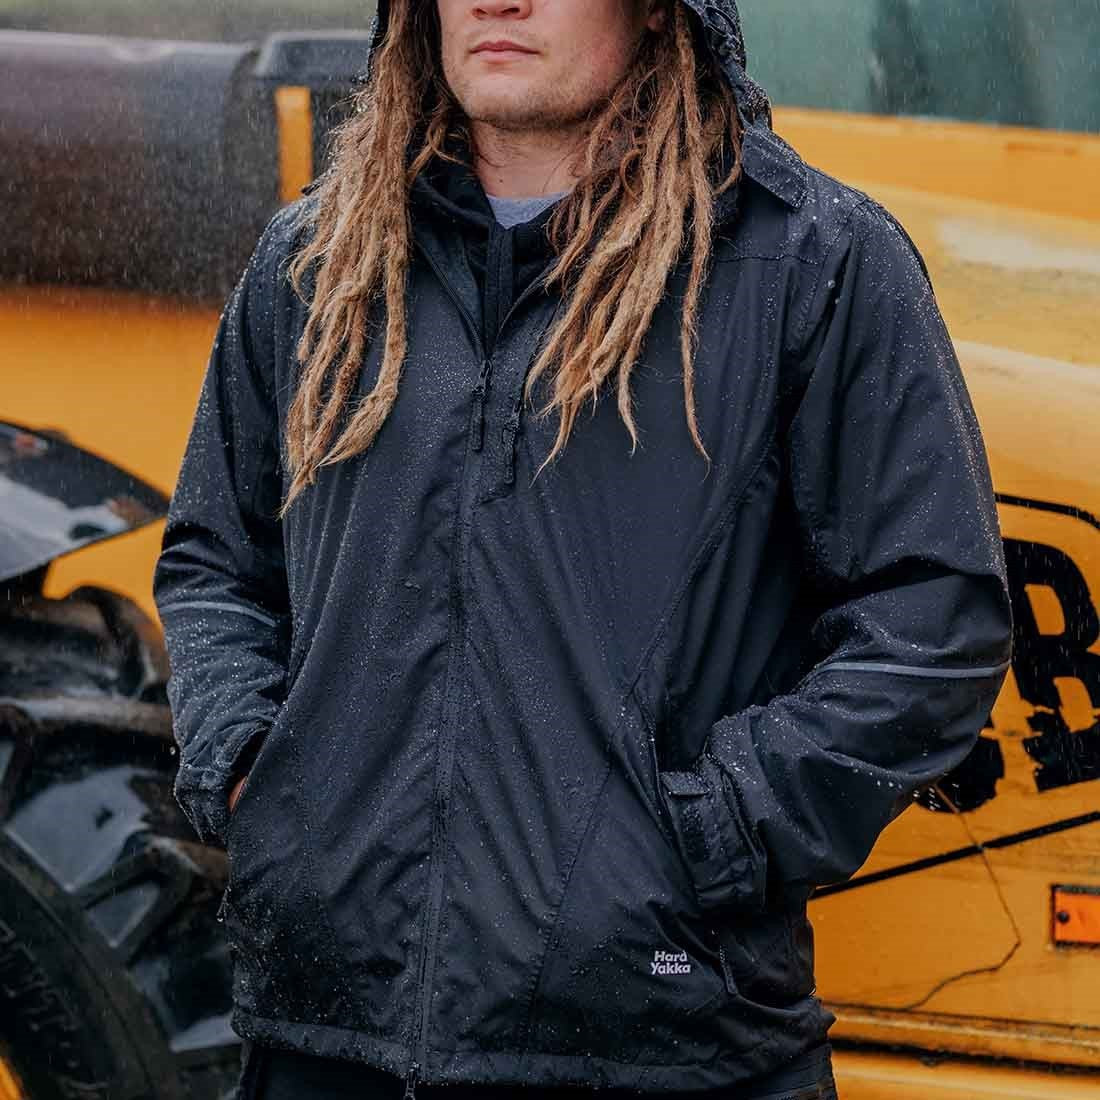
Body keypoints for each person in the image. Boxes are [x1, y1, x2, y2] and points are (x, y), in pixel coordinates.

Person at [152, 0, 1013, 1095]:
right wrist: (252, 769)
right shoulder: (318, 261)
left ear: (660, 8)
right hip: (327, 1038)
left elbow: (931, 622)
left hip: (664, 1049)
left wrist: (708, 832)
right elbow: (217, 561)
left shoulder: (808, 262)